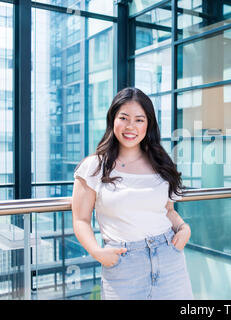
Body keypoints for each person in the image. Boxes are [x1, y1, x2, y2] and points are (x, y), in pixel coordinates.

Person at [71, 87, 193, 300]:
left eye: (139, 120)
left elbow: (167, 210)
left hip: (169, 258)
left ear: (148, 124)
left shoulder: (161, 163)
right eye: (124, 118)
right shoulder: (93, 167)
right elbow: (80, 219)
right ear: (113, 120)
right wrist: (97, 253)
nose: (130, 127)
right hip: (124, 264)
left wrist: (183, 228)